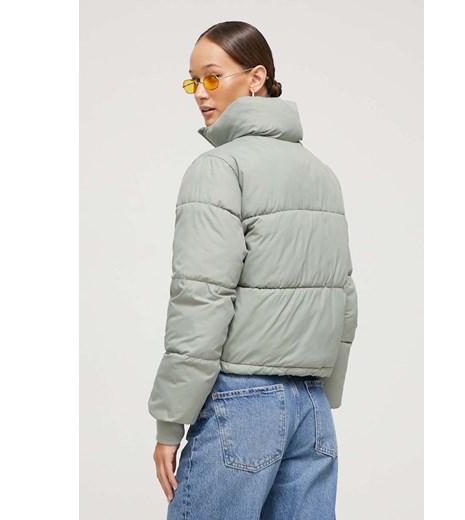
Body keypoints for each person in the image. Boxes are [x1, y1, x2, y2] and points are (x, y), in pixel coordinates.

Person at [148, 20, 359, 520]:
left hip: (241, 403)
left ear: (256, 78)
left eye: (212, 77)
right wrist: (322, 392)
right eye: (192, 82)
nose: (201, 93)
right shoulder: (321, 173)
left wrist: (170, 422)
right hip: (312, 410)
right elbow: (344, 297)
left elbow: (201, 298)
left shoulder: (220, 168)